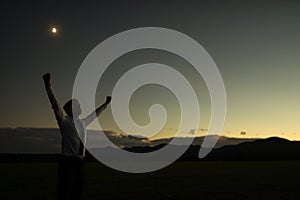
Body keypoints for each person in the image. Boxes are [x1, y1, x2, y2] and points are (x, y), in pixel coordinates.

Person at [42, 73, 111, 200]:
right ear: (70, 109)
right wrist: (48, 86)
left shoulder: (83, 122)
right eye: (77, 105)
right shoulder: (64, 121)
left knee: (77, 192)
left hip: (80, 162)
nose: (80, 106)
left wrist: (106, 104)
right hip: (67, 162)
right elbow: (55, 104)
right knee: (64, 193)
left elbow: (95, 114)